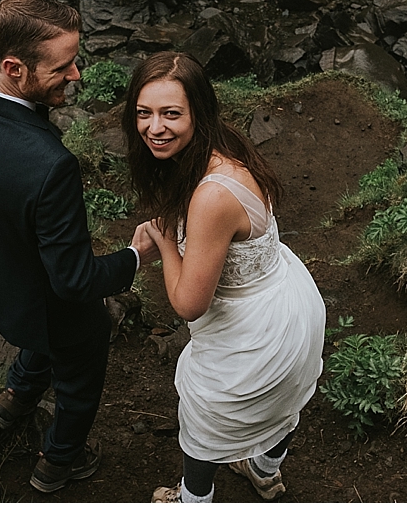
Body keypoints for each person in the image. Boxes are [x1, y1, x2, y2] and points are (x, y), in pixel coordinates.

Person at [0, 0, 158, 493]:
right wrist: (137, 256)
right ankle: (58, 465)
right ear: (14, 67)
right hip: (55, 307)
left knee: (43, 341)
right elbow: (75, 280)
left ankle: (13, 400)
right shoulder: (49, 166)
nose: (77, 74)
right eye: (62, 66)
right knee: (80, 372)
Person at [121, 52, 326, 503]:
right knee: (279, 404)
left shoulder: (212, 196)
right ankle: (265, 471)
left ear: (198, 112)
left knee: (207, 408)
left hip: (258, 329)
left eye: (171, 114)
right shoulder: (223, 145)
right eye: (144, 113)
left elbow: (189, 304)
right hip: (288, 301)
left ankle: (194, 498)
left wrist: (162, 238)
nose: (154, 127)